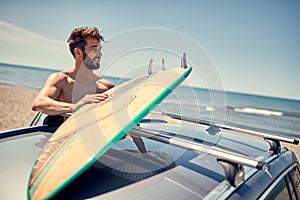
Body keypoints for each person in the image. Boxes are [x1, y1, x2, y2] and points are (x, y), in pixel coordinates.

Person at [32, 27, 115, 117]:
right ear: (78, 52)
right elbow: (39, 104)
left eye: (99, 49)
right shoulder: (62, 80)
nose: (100, 54)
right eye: (94, 49)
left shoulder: (106, 87)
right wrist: (76, 106)